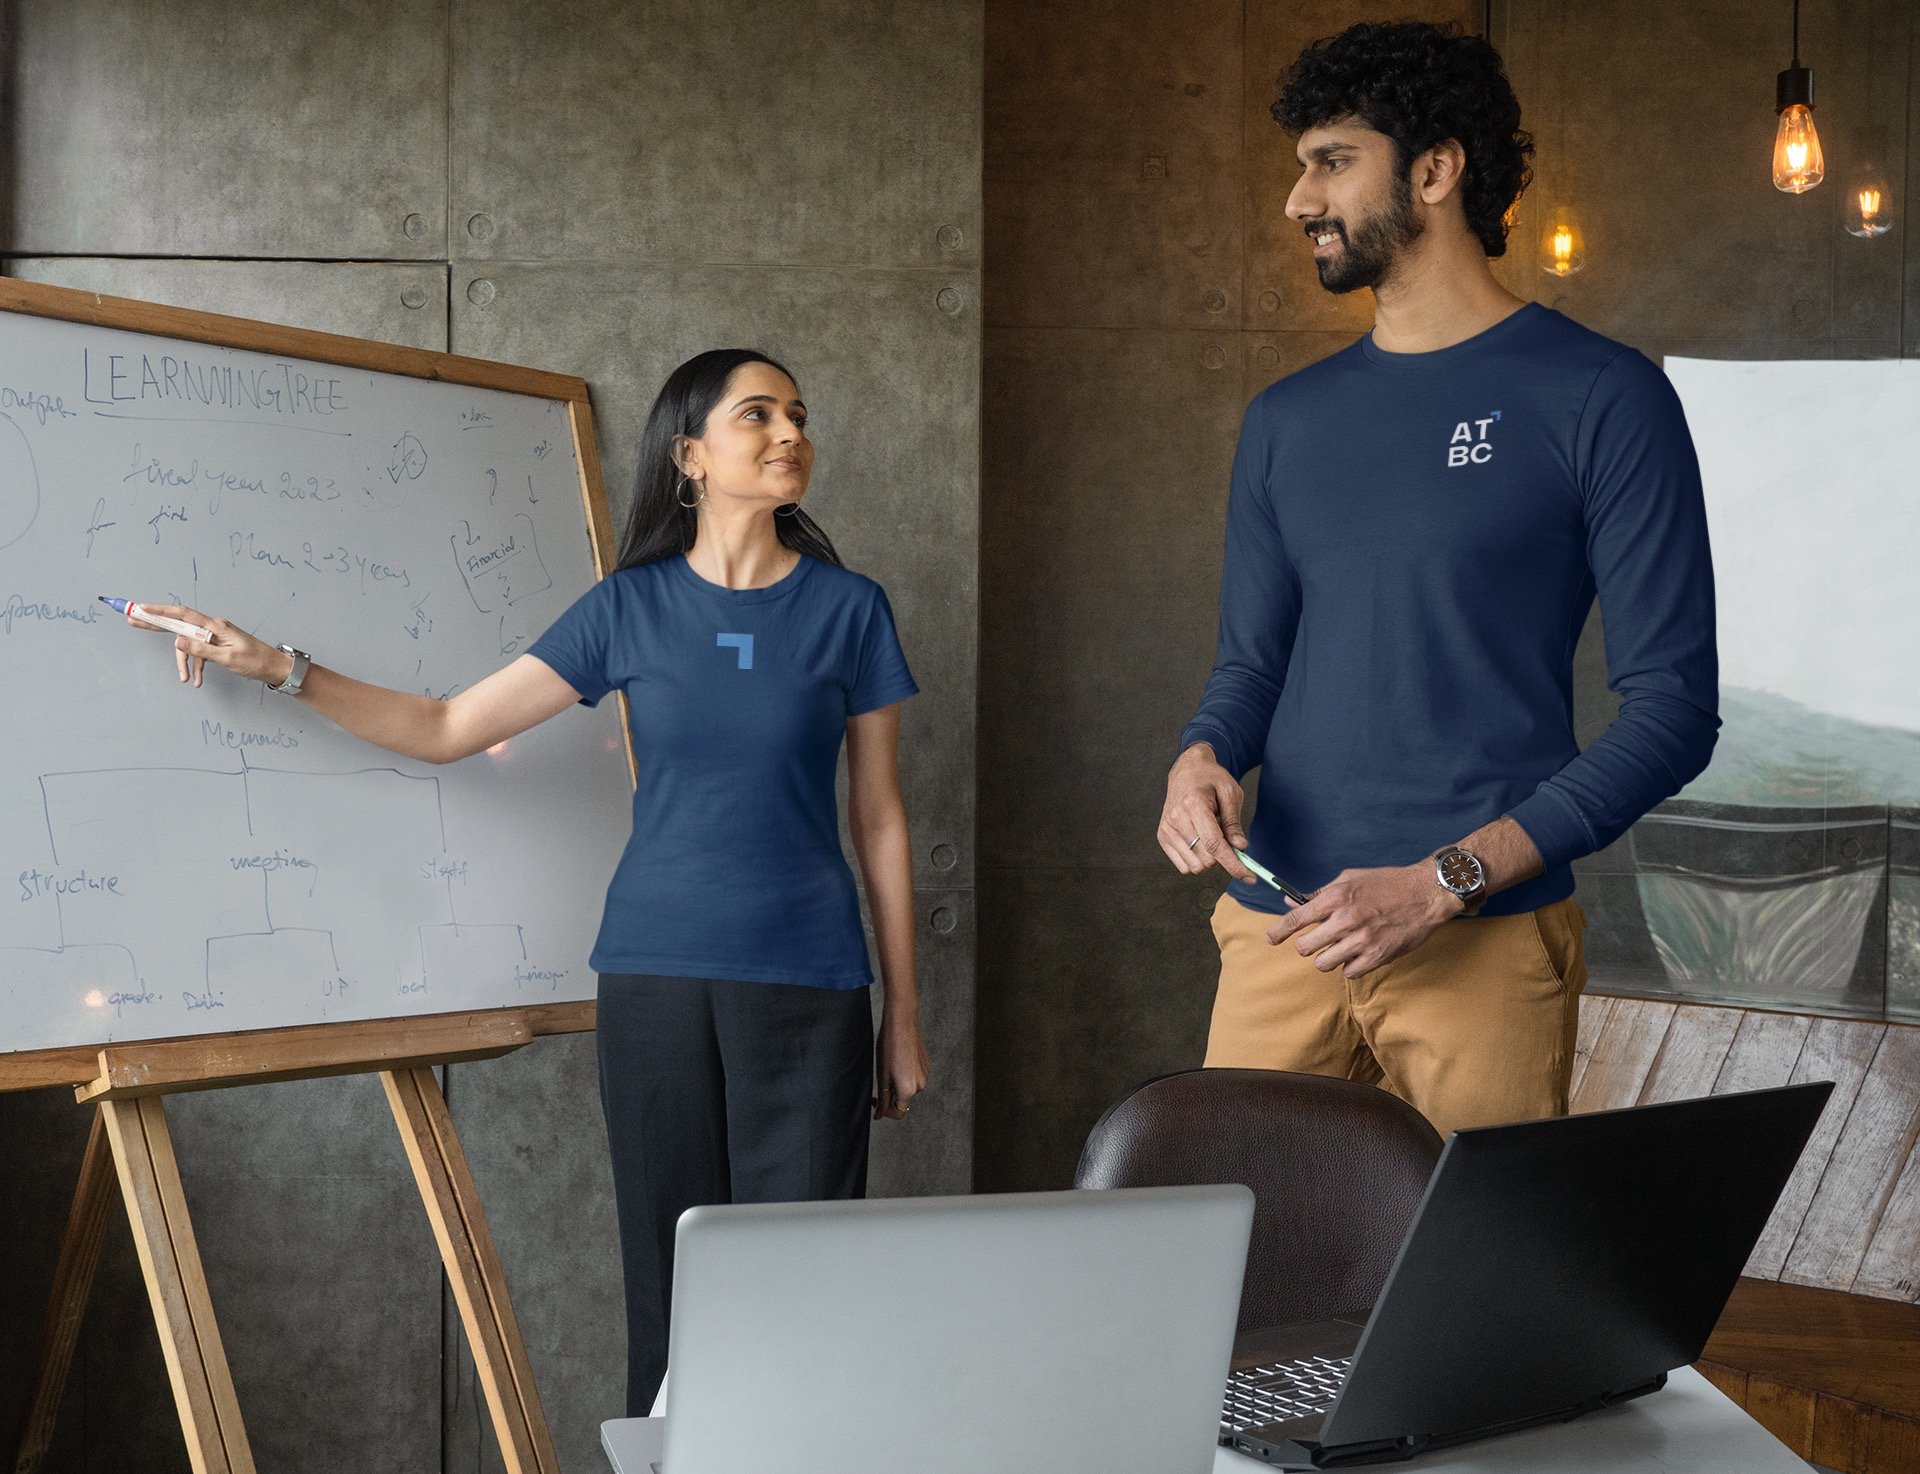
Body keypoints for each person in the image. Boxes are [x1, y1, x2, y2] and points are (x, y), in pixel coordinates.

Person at [130, 348, 930, 1415]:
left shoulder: (851, 610)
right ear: (692, 455)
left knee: (810, 1293)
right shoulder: (628, 609)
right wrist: (277, 664)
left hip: (813, 988)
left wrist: (904, 1018)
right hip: (657, 986)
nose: (790, 432)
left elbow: (877, 816)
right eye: (758, 415)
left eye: (798, 413)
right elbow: (448, 726)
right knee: (675, 1293)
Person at [1157, 22, 1718, 1138]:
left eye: (1331, 161)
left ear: (1435, 168)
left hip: (1483, 940)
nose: (1295, 198)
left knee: (1472, 1299)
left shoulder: (1603, 397)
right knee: (1249, 1282)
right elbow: (1251, 663)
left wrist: (1445, 879)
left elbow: (1673, 715)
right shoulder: (1286, 422)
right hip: (1283, 929)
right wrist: (1202, 755)